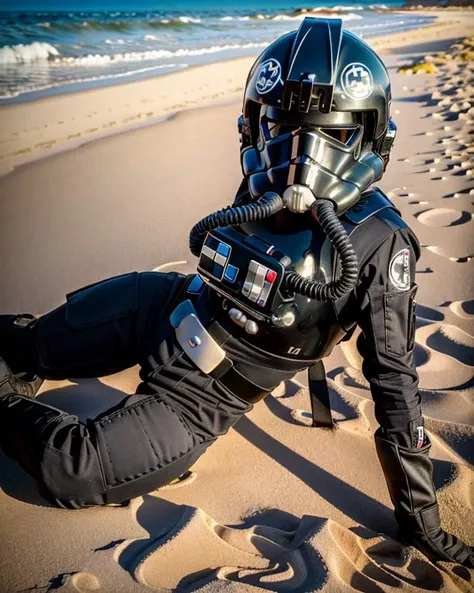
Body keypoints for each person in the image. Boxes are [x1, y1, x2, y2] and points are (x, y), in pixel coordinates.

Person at [0, 17, 472, 567]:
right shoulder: (260, 181)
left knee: (73, 469)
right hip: (163, 306)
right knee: (29, 341)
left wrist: (422, 523)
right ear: (256, 123)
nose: (303, 155)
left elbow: (395, 386)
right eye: (285, 125)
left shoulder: (380, 242)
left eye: (333, 132)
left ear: (371, 135)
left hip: (203, 396)